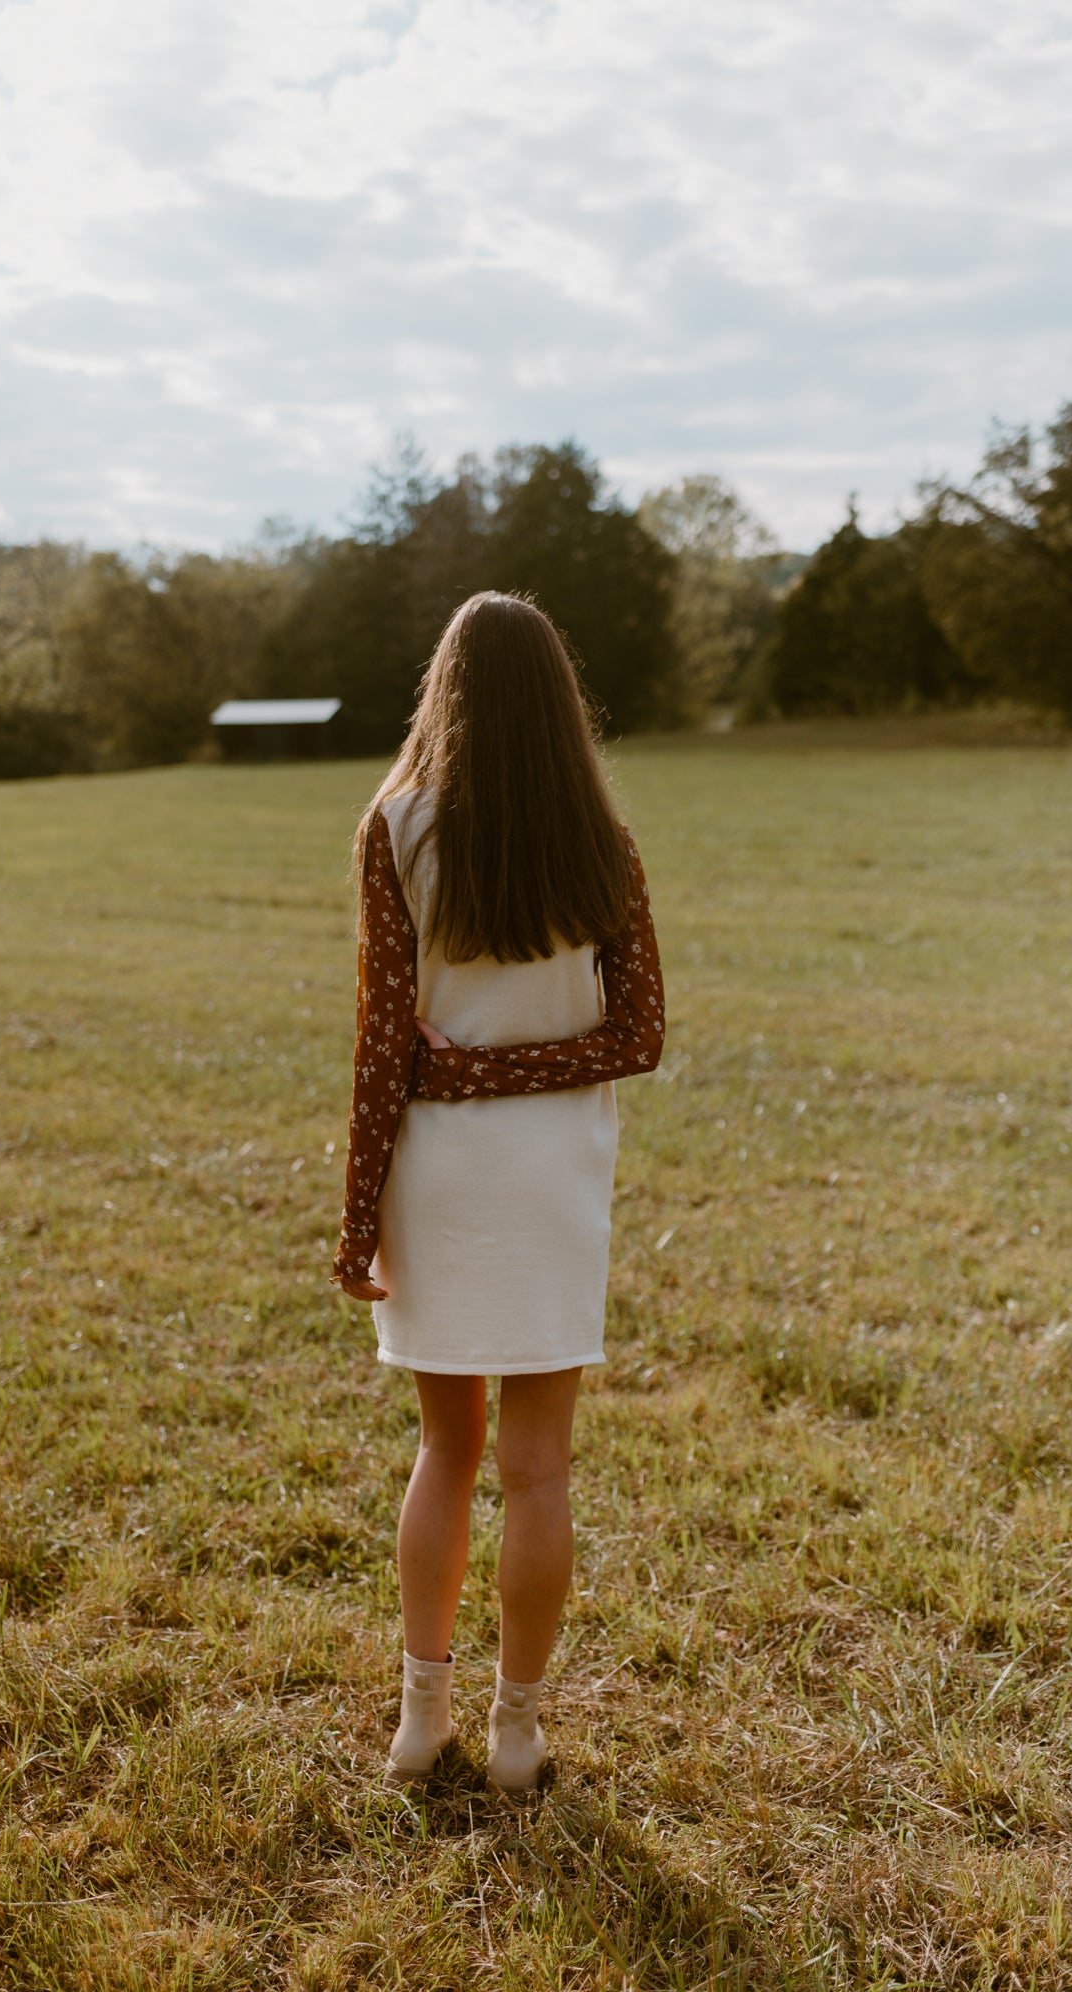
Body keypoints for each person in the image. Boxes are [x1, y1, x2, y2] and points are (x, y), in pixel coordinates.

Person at [332, 590, 665, 1793]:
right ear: (558, 703)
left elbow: (382, 1046)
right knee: (540, 1469)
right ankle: (518, 1733)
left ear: (447, 690)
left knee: (444, 1450)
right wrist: (519, 1070)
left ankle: (421, 1723)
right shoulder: (601, 839)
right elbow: (640, 1033)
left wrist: (358, 1202)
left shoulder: (396, 823)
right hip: (552, 1179)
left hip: (444, 1173)